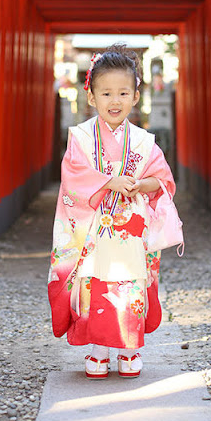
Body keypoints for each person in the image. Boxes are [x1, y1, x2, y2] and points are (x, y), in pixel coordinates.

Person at [48, 43, 180, 379]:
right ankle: (98, 350)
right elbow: (73, 176)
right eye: (106, 93)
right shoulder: (80, 137)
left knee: (128, 285)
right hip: (92, 228)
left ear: (136, 96)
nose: (115, 101)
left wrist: (138, 183)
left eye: (123, 92)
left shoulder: (143, 141)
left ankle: (129, 349)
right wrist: (110, 181)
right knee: (93, 284)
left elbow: (163, 180)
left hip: (129, 229)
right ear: (91, 96)